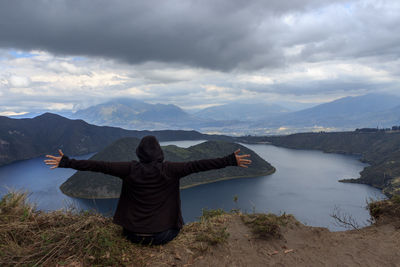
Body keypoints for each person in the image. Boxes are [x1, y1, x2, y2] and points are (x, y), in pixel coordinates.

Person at [44, 135, 251, 245]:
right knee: (177, 226)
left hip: (131, 234)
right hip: (163, 236)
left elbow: (99, 165)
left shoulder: (129, 169)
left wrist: (66, 162)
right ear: (160, 152)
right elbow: (199, 164)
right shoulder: (171, 169)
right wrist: (230, 160)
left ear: (139, 154)